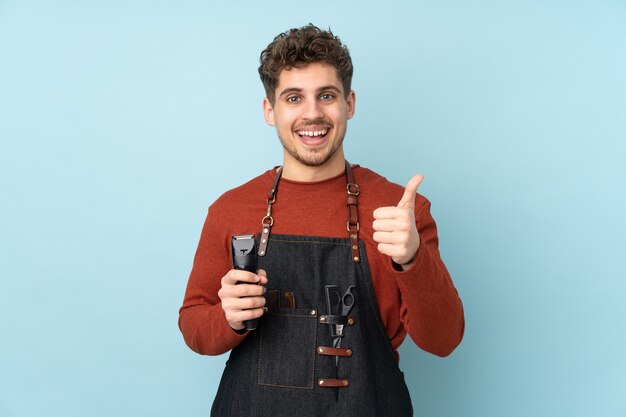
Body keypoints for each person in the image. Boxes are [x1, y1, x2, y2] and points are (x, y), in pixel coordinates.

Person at [179, 24, 464, 417]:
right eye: (293, 97)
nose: (312, 114)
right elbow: (194, 327)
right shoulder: (231, 210)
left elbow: (444, 340)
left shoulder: (400, 211)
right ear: (270, 111)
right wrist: (227, 318)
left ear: (349, 103)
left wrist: (412, 259)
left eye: (326, 96)